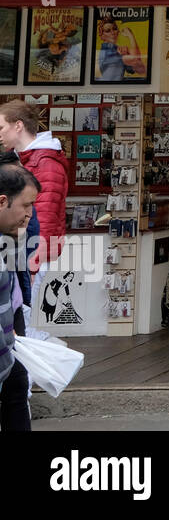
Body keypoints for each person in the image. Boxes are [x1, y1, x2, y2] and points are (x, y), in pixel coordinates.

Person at [0, 100, 70, 286]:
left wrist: (33, 264)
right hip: (14, 250)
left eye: (1, 127)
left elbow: (45, 217)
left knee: (23, 311)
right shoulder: (16, 159)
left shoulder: (46, 163)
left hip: (30, 255)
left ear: (18, 125)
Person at [0, 161, 39, 432]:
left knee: (17, 385)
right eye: (26, 206)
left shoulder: (11, 236)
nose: (30, 214)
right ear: (2, 201)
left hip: (9, 339)